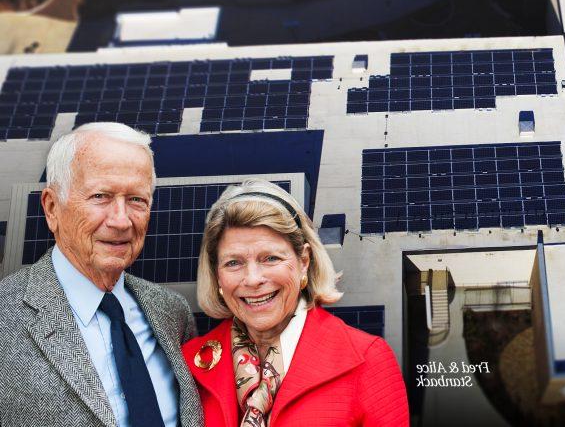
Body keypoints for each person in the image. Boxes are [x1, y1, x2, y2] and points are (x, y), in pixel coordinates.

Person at [0, 122, 203, 427]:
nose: (121, 221)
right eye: (100, 196)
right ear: (52, 208)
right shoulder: (7, 315)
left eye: (137, 199)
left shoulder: (172, 313)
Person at [184, 179, 408, 426]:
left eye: (270, 258)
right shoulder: (186, 363)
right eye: (233, 263)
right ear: (217, 275)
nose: (253, 279)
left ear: (304, 262)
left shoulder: (368, 360)